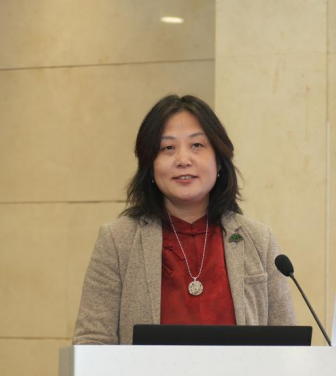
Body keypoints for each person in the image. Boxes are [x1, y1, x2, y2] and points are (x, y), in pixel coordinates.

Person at [73, 94, 296, 345]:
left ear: (219, 161)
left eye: (197, 145)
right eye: (168, 148)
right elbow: (92, 341)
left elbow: (286, 344)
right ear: (150, 165)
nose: (183, 160)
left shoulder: (259, 240)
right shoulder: (117, 241)